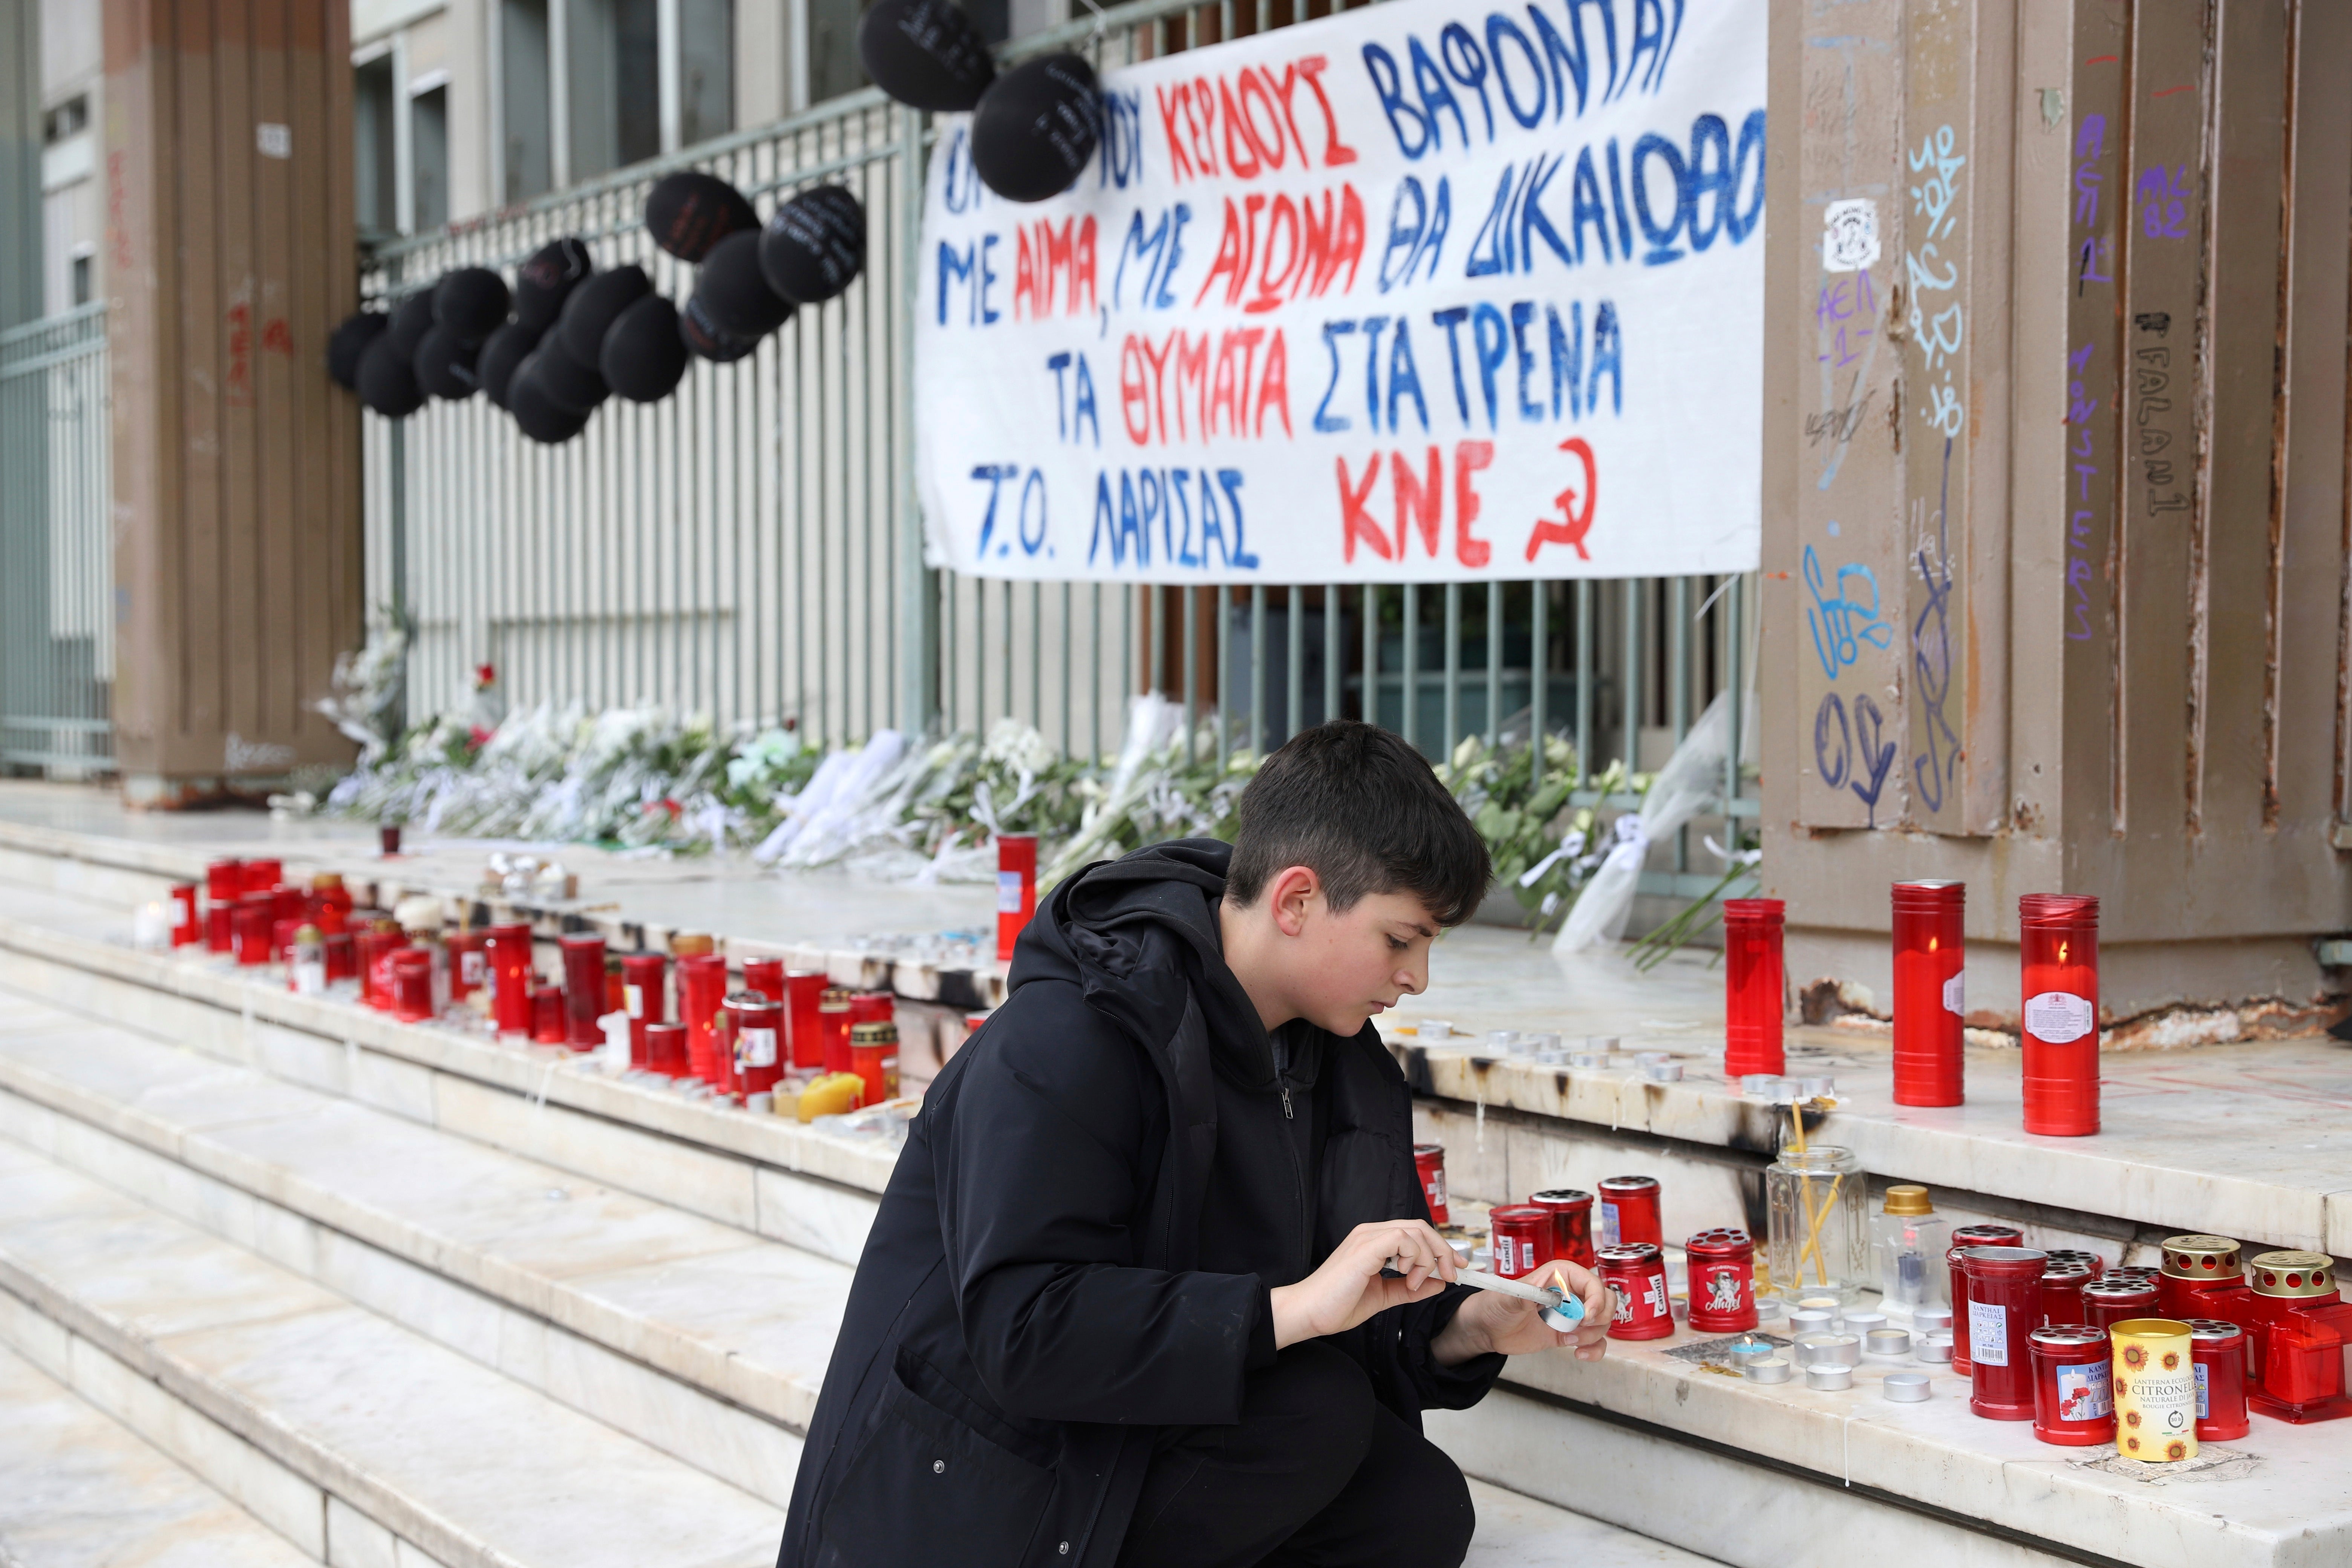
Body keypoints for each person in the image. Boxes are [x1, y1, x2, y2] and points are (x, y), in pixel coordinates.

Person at [778, 721, 1612, 1568]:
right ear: (1295, 901)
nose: (1417, 976)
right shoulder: (1070, 1035)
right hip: (968, 1476)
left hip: (1130, 1422)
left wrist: (1476, 1322)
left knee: (1413, 1506)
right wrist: (1294, 1308)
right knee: (1313, 1413)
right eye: (1401, 939)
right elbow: (1026, 1331)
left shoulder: (1336, 1063)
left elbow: (1356, 1306)